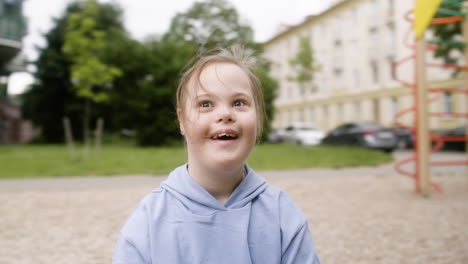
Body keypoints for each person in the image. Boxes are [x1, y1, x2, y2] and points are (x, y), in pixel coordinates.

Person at [113, 46, 321, 264]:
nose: (224, 114)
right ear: (182, 121)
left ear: (258, 117)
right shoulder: (147, 222)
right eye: (205, 104)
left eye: (239, 102)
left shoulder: (282, 214)